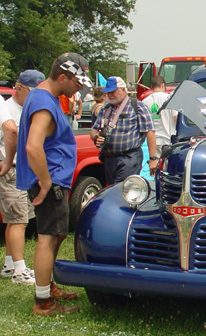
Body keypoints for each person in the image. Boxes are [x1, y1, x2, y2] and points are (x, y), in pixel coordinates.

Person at [16, 52, 93, 315]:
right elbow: (32, 146)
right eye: (77, 82)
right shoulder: (44, 103)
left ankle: (47, 287)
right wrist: (47, 182)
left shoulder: (42, 98)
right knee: (48, 239)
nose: (79, 87)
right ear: (63, 77)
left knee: (57, 234)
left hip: (56, 179)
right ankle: (43, 301)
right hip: (51, 181)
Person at [1, 70, 45, 285]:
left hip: (24, 170)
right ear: (18, 88)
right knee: (17, 220)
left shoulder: (29, 109)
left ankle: (9, 264)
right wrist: (7, 162)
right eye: (31, 92)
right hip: (11, 171)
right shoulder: (7, 109)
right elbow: (11, 133)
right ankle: (20, 269)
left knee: (19, 220)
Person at [90, 76, 157, 185]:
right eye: (108, 92)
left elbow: (150, 132)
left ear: (123, 90)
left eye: (113, 91)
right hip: (109, 159)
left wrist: (153, 158)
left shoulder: (137, 106)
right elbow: (94, 130)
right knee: (112, 190)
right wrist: (96, 137)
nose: (110, 95)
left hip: (128, 158)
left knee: (121, 191)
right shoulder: (105, 109)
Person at [142, 76, 178, 157]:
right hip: (168, 142)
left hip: (152, 143)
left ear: (152, 87)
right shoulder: (170, 99)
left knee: (154, 166)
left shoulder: (144, 102)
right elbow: (176, 119)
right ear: (162, 85)